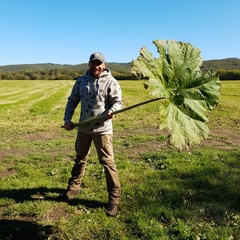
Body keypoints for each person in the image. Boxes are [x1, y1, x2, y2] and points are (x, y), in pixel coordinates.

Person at [58, 52, 123, 217]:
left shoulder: (111, 81)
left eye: (99, 63)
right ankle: (73, 188)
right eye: (94, 63)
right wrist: (67, 119)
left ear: (104, 64)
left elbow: (118, 102)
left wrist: (112, 110)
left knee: (107, 163)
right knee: (80, 157)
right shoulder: (81, 81)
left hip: (102, 130)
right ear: (89, 64)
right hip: (83, 129)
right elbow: (72, 101)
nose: (96, 66)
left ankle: (114, 199)